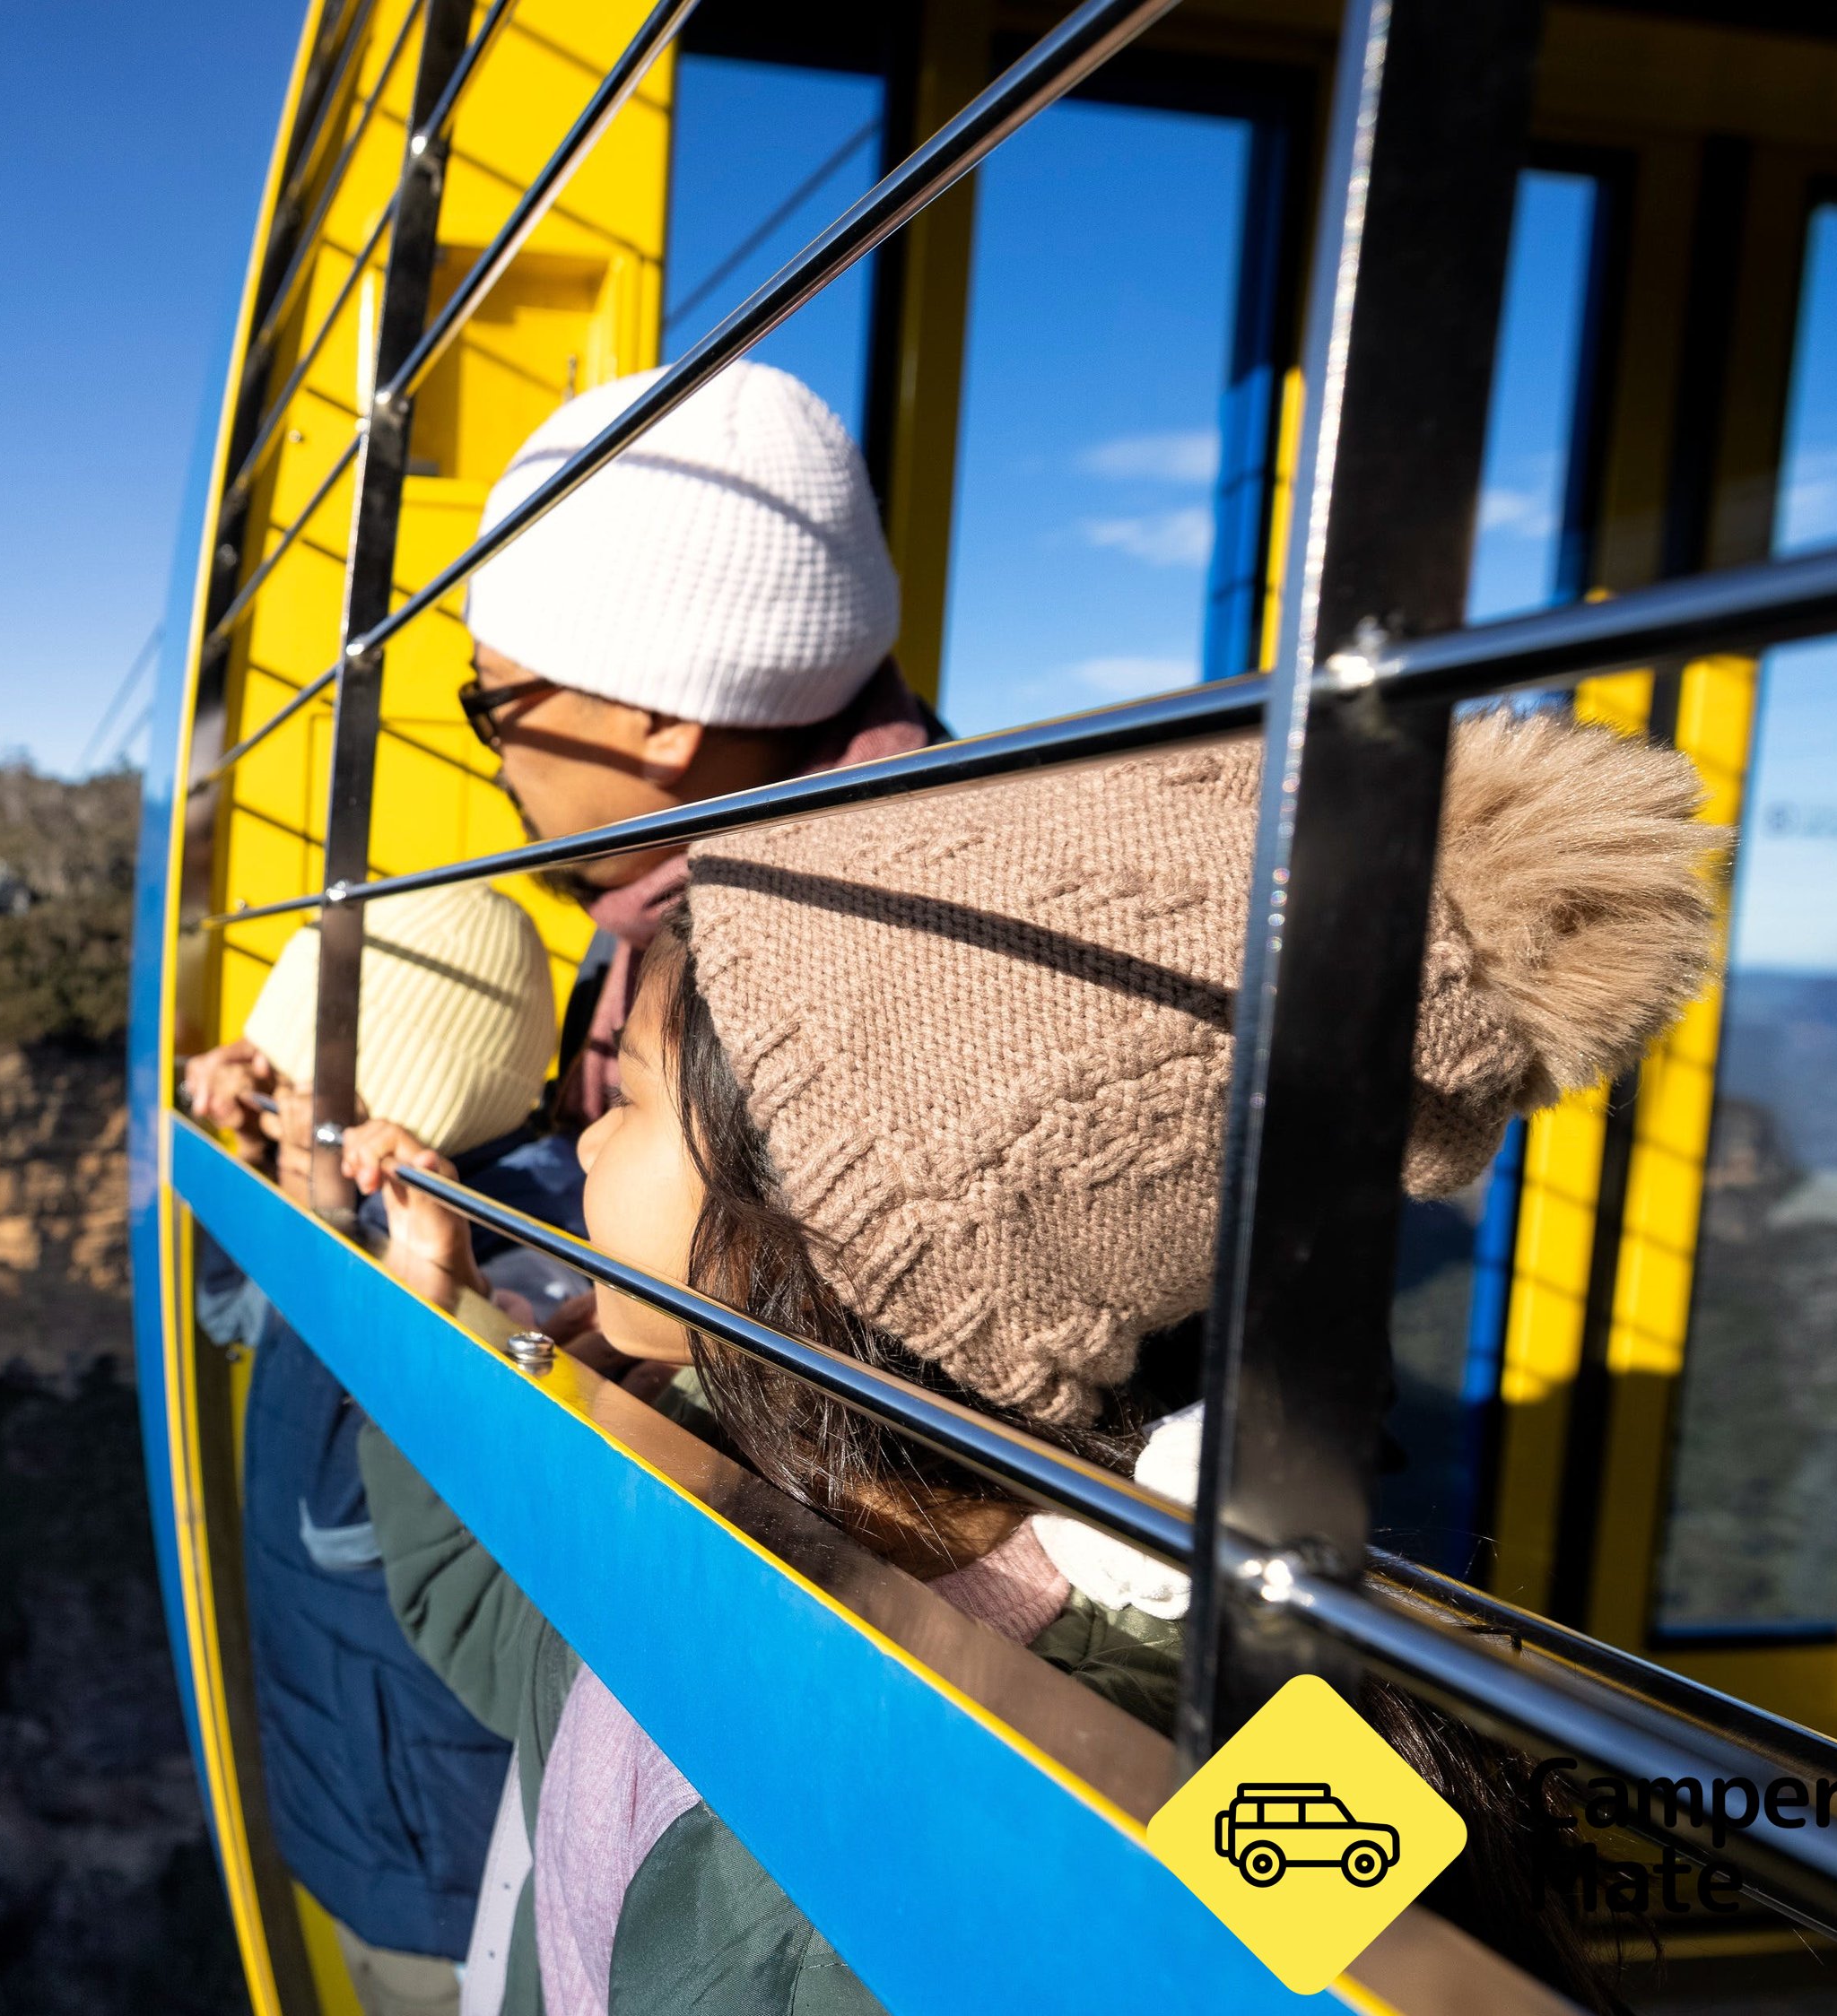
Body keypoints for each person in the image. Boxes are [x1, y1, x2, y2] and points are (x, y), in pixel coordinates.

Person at [341, 710, 1724, 2015]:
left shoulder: (1045, 1816)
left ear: (831, 1248)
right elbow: (514, 1626)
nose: (579, 1137)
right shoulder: (706, 1453)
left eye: (627, 1100)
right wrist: (421, 1313)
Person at [179, 882, 581, 2016]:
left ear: (394, 1102)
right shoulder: (353, 1232)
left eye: (292, 1087)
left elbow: (355, 1520)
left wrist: (420, 1288)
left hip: (440, 1877)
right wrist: (249, 1161)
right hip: (353, 1806)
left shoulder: (517, 1277)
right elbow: (228, 1316)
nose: (271, 1105)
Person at [457, 360, 938, 1128]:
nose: (495, 749)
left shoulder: (826, 1019)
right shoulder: (671, 896)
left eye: (494, 694)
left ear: (663, 719)